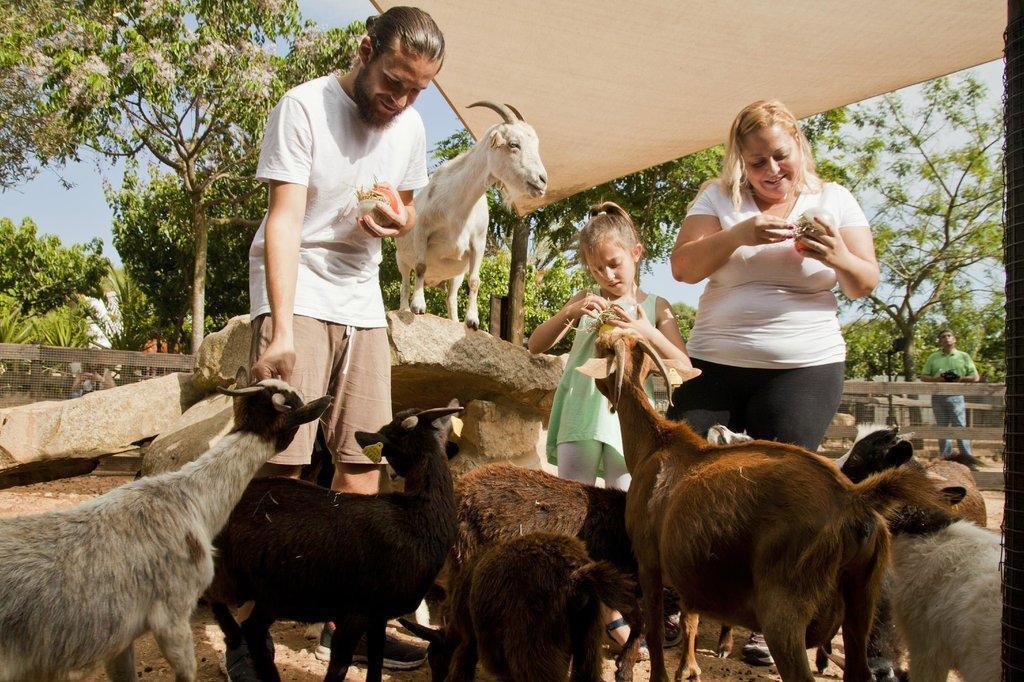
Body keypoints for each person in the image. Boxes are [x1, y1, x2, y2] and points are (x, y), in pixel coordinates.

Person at [227, 7, 445, 679]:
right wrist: (283, 327)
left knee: (362, 467)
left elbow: (399, 213)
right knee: (283, 470)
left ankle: (343, 619)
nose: (400, 99)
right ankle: (245, 621)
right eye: (392, 80)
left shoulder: (408, 128)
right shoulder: (302, 108)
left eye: (416, 90)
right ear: (365, 49)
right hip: (300, 293)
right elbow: (285, 221)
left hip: (362, 301)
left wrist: (396, 220)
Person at [667, 99, 879, 666]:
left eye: (780, 157)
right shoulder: (718, 200)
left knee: (783, 491)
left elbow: (864, 282)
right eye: (756, 160)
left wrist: (835, 252)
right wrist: (740, 233)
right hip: (715, 361)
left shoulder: (833, 199)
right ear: (740, 159)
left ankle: (776, 616)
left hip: (803, 366)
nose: (771, 171)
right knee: (684, 466)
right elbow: (683, 268)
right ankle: (681, 594)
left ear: (798, 148)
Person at [528, 201, 695, 654]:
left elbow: (683, 365)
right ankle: (584, 613)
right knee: (574, 512)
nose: (608, 275)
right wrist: (571, 312)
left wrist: (645, 330)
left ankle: (623, 609)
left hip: (630, 426)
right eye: (597, 267)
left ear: (636, 253)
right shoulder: (586, 303)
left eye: (615, 263)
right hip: (582, 415)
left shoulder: (655, 307)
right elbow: (535, 343)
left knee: (626, 514)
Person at [920, 329, 982, 470]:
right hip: (938, 396)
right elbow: (923, 376)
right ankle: (945, 460)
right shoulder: (933, 357)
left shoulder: (963, 356)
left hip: (956, 396)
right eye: (943, 336)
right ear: (940, 341)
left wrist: (960, 378)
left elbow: (975, 377)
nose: (946, 338)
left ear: (954, 339)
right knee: (942, 428)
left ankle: (968, 460)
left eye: (949, 336)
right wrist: (938, 379)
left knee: (960, 427)